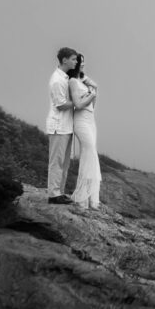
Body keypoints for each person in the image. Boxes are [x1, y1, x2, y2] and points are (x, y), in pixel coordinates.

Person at [46, 47, 80, 205]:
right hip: (58, 126)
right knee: (56, 161)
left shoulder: (65, 78)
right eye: (73, 59)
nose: (75, 62)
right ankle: (53, 194)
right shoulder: (57, 80)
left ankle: (59, 192)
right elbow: (60, 105)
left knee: (64, 162)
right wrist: (78, 103)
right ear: (64, 60)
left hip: (66, 126)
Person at [67, 52, 101, 209]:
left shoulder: (83, 81)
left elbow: (93, 100)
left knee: (91, 156)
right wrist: (90, 95)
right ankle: (82, 197)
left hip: (90, 120)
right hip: (80, 120)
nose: (83, 65)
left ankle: (91, 198)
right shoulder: (73, 81)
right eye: (81, 62)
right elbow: (78, 105)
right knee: (90, 154)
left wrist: (91, 89)